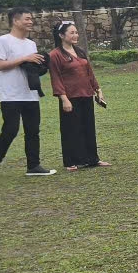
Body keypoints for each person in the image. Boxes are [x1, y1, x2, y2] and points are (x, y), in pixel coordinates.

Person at [0, 7, 57, 179]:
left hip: (30, 94)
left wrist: (40, 65)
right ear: (15, 21)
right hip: (10, 95)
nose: (31, 21)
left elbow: (31, 67)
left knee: (33, 131)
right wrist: (25, 59)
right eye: (27, 19)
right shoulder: (3, 41)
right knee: (10, 129)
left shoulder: (31, 44)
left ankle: (34, 166)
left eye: (31, 19)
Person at [48, 20, 109, 171]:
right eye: (72, 32)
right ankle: (71, 161)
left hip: (86, 94)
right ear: (62, 35)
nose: (75, 35)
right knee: (71, 129)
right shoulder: (55, 55)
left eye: (76, 32)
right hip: (70, 97)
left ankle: (92, 159)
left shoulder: (80, 51)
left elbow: (89, 73)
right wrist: (63, 99)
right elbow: (56, 78)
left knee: (88, 127)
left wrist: (98, 90)